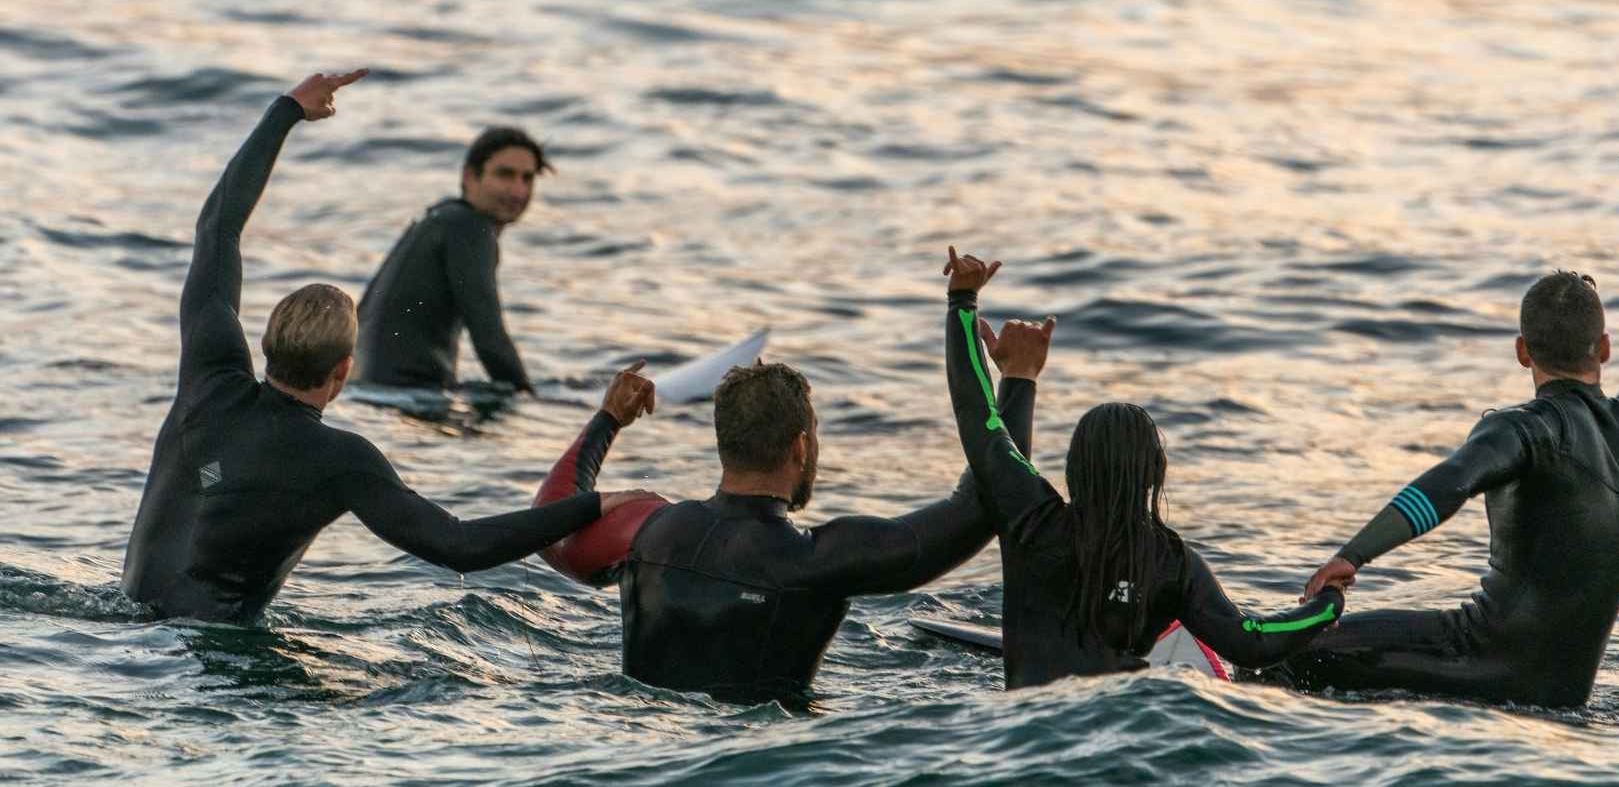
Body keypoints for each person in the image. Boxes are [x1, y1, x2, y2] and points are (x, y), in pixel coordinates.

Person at [120, 73, 652, 624]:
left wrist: (287, 111)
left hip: (128, 630)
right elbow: (459, 545)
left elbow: (218, 227)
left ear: (265, 343)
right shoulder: (342, 460)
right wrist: (592, 504)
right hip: (215, 656)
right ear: (344, 371)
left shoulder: (209, 376)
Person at [1264, 124, 1619, 708]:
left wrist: (1352, 555)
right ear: (1603, 348)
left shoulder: (1521, 430)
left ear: (1523, 351)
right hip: (1563, 694)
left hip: (1478, 662)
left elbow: (1446, 485)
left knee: (1286, 657)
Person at [941, 248, 1344, 690]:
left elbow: (977, 415)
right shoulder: (1172, 562)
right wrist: (1328, 602)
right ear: (1155, 474)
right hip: (1132, 721)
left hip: (1030, 719)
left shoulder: (1032, 521)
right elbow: (1253, 641)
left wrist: (963, 303)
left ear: (1074, 467)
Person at [531, 352, 1028, 702]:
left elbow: (550, 521)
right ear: (799, 448)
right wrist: (1018, 379)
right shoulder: (818, 561)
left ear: (723, 443)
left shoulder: (647, 529)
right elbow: (981, 506)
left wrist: (608, 420)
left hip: (640, 741)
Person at [352, 125, 551, 392]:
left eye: (527, 179)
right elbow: (489, 339)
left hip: (367, 387)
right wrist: (530, 398)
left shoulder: (440, 219)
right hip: (405, 392)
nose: (518, 191)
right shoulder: (468, 226)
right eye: (505, 175)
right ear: (470, 177)